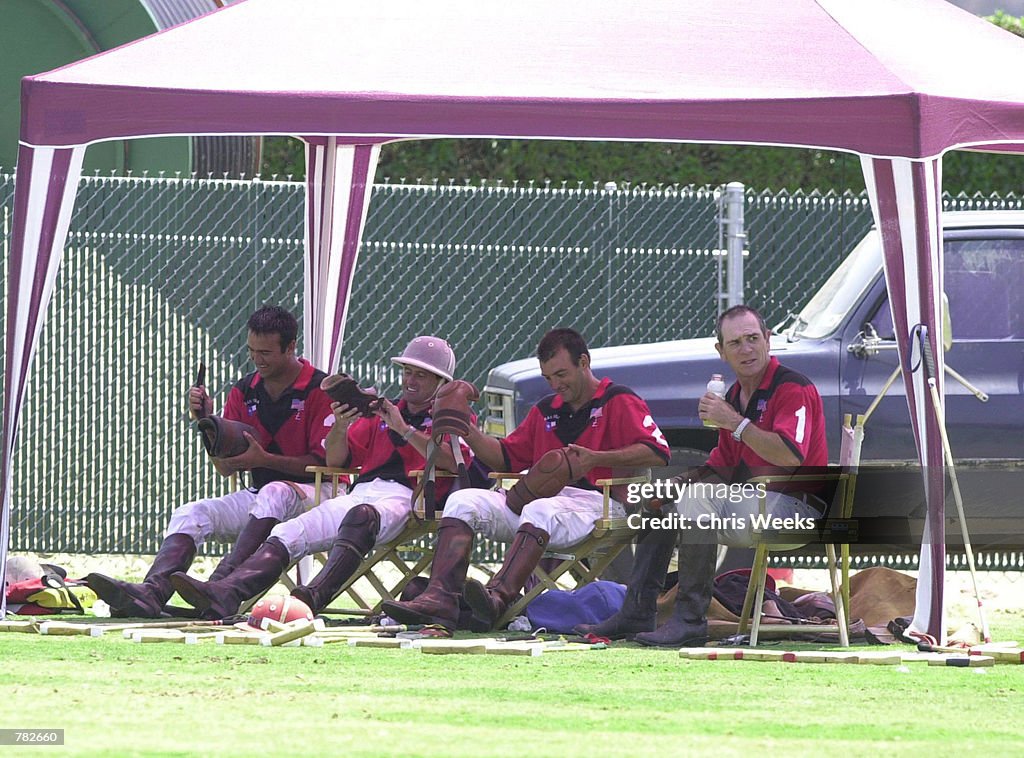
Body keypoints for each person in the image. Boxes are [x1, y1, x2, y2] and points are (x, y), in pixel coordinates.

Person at [382, 327, 671, 633]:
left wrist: (597, 459)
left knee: (540, 509)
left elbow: (658, 452)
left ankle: (498, 599)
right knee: (463, 500)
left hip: (597, 504)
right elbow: (504, 457)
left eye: (561, 374)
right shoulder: (546, 409)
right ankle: (440, 599)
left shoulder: (618, 399)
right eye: (548, 378)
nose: (556, 384)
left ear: (584, 362)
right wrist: (468, 431)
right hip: (539, 501)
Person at [576, 305, 828, 647]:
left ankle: (691, 620)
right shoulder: (734, 396)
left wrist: (734, 423)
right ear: (721, 352)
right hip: (756, 502)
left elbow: (790, 454)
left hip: (798, 508)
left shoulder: (792, 388)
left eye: (753, 338)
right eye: (735, 343)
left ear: (768, 340)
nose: (747, 349)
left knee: (699, 502)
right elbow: (720, 466)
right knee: (657, 505)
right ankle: (637, 611)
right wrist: (676, 484)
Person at [170, 336, 470, 619]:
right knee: (291, 531)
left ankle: (309, 599)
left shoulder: (452, 415)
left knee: (362, 515)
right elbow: (336, 461)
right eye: (406, 372)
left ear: (442, 383)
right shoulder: (384, 411)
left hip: (411, 498)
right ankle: (227, 593)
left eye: (420, 375)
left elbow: (453, 461)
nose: (409, 381)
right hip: (362, 492)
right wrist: (341, 426)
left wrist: (404, 429)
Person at [86, 306, 335, 617]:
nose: (257, 360)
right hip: (264, 499)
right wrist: (207, 422)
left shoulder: (319, 389)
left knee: (275, 492)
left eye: (266, 352)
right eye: (252, 351)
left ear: (291, 347)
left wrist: (265, 459)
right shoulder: (244, 391)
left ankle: (221, 585)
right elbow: (224, 467)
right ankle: (153, 591)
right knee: (191, 512)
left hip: (317, 495)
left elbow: (325, 463)